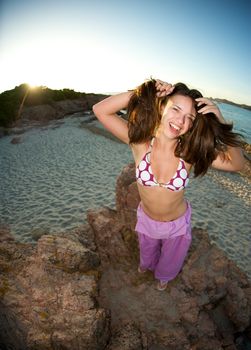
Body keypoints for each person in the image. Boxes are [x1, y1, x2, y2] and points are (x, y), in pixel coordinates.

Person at [92, 78, 244, 291]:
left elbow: (236, 163)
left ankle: (164, 278)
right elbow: (100, 110)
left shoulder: (190, 152)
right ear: (161, 106)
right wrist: (147, 90)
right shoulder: (140, 142)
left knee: (171, 261)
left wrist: (221, 121)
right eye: (176, 109)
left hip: (176, 225)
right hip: (147, 219)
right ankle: (146, 267)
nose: (181, 121)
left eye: (189, 117)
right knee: (147, 252)